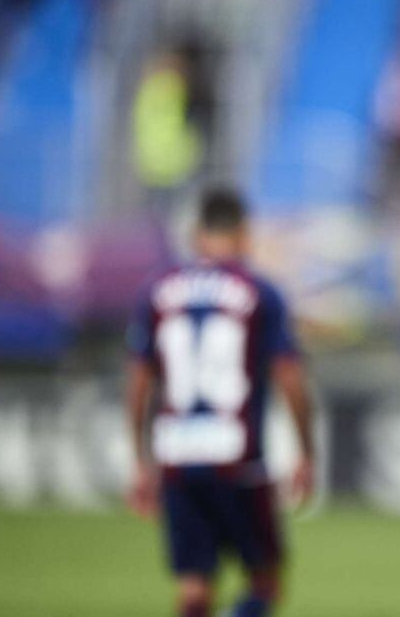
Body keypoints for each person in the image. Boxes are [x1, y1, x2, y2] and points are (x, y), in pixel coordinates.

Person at [126, 186, 316, 617]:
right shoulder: (258, 292)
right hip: (238, 455)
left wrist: (140, 458)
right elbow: (290, 378)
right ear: (244, 232)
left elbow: (139, 381)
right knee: (265, 581)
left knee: (193, 588)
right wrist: (306, 453)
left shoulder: (157, 290)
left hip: (176, 452)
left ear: (196, 234)